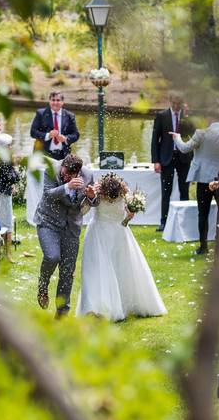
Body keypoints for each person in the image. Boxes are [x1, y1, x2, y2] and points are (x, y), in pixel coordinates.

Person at [76, 172, 166, 321]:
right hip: (114, 234)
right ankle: (104, 306)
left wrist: (128, 217)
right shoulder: (118, 195)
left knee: (102, 271)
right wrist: (127, 218)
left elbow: (82, 210)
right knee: (116, 270)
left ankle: (102, 307)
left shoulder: (114, 195)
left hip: (107, 235)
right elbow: (122, 221)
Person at [35, 154, 98, 318]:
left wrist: (92, 196)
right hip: (48, 222)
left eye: (70, 175)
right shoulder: (52, 170)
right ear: (62, 166)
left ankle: (62, 314)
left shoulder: (88, 175)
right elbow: (48, 194)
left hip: (72, 227)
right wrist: (67, 186)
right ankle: (43, 284)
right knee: (52, 256)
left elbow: (93, 202)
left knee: (67, 271)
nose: (65, 176)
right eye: (64, 173)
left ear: (78, 173)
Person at [172, 101, 219, 255]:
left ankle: (203, 246)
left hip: (204, 179)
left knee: (203, 214)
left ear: (208, 118)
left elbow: (185, 148)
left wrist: (177, 137)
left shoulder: (201, 133)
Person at [151, 92, 194, 231]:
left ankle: (185, 221)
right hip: (166, 158)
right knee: (166, 191)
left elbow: (193, 136)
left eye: (178, 104)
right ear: (170, 101)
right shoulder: (162, 116)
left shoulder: (187, 117)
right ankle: (163, 221)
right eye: (174, 103)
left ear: (182, 103)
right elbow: (155, 140)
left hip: (184, 158)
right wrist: (156, 161)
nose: (176, 106)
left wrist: (188, 117)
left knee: (184, 190)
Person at [29, 91, 79, 161]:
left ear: (62, 102)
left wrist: (66, 138)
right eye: (53, 100)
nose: (55, 103)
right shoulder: (40, 113)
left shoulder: (70, 116)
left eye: (58, 100)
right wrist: (48, 135)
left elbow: (76, 135)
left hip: (63, 155)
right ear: (49, 101)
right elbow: (33, 132)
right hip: (43, 154)